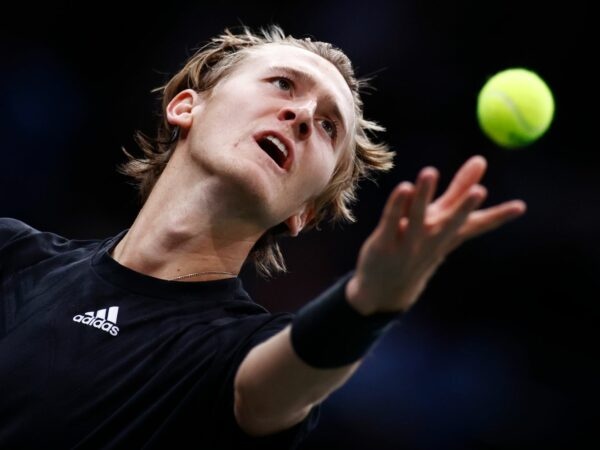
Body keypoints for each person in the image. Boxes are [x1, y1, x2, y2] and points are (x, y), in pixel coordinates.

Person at [0, 25, 526, 449]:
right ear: (186, 106)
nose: (301, 115)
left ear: (305, 212)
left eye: (328, 127)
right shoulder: (15, 257)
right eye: (282, 83)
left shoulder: (238, 351)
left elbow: (278, 386)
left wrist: (372, 301)